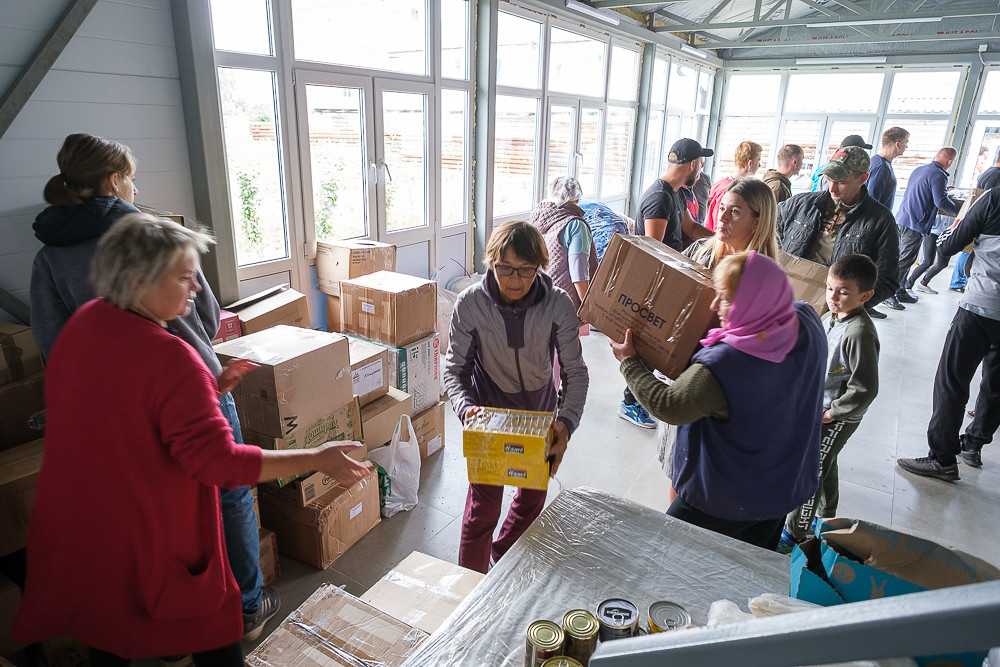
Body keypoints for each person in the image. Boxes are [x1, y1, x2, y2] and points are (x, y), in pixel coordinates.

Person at [13, 214, 372, 664]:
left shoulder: (86, 324)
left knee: (105, 627)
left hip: (91, 528)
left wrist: (209, 388)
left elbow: (126, 408)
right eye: (185, 277)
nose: (196, 288)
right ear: (139, 280)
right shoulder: (169, 356)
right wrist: (317, 457)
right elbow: (220, 464)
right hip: (153, 531)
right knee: (211, 634)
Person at [27, 133, 277, 642]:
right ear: (115, 181)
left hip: (116, 412)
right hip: (195, 384)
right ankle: (246, 606)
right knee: (227, 493)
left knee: (156, 514)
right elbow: (206, 316)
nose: (135, 188)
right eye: (131, 178)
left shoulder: (50, 256)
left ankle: (165, 623)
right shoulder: (154, 236)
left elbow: (55, 346)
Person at [610, 251, 825, 550]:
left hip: (727, 495)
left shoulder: (726, 363)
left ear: (751, 302)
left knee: (669, 555)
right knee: (750, 565)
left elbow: (668, 404)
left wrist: (629, 362)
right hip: (783, 485)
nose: (713, 306)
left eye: (724, 298)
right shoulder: (805, 321)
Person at [443, 221, 589, 574]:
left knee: (532, 497)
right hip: (489, 414)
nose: (514, 280)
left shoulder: (557, 304)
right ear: (490, 261)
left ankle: (503, 550)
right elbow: (454, 371)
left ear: (539, 266)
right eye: (505, 267)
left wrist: (565, 424)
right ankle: (469, 583)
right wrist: (466, 410)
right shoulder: (471, 304)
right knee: (484, 506)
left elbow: (575, 372)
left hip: (539, 413)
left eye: (525, 270)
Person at [897, 187, 1000, 480]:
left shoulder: (993, 198)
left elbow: (948, 246)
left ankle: (942, 458)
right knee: (996, 385)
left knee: (952, 380)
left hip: (980, 306)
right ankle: (974, 445)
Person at [779, 255, 880, 552]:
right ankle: (826, 516)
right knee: (825, 462)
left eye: (843, 291)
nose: (833, 297)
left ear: (866, 295)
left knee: (811, 468)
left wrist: (832, 413)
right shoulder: (830, 318)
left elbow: (865, 389)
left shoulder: (859, 332)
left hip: (836, 416)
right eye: (830, 288)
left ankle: (795, 531)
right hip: (817, 408)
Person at [623, 138, 714, 428]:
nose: (702, 167)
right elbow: (654, 251)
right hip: (657, 283)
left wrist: (720, 239)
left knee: (664, 341)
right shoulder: (659, 197)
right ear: (691, 165)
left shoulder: (676, 192)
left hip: (673, 279)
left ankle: (643, 389)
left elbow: (689, 228)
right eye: (701, 162)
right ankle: (630, 401)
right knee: (648, 344)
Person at [777, 146, 899, 321]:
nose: (832, 188)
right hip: (784, 302)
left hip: (832, 316)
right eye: (829, 179)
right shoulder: (800, 204)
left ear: (863, 178)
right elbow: (766, 234)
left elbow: (888, 279)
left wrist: (848, 307)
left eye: (841, 181)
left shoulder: (881, 220)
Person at [884, 147, 959, 311]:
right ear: (950, 162)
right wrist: (960, 213)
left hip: (903, 218)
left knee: (905, 258)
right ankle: (888, 294)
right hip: (915, 222)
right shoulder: (939, 175)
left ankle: (901, 290)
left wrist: (941, 190)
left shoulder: (921, 169)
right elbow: (941, 202)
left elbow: (924, 190)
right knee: (905, 260)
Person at [528, 176, 598, 313]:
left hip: (538, 297)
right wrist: (587, 306)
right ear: (577, 199)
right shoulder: (576, 225)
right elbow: (579, 272)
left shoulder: (538, 218)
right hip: (564, 301)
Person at [685, 177, 779, 269]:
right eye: (722, 208)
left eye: (734, 211)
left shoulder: (761, 274)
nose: (722, 218)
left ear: (757, 222)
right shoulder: (700, 249)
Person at [707, 140, 762, 230]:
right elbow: (720, 224)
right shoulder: (729, 190)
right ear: (750, 163)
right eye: (758, 160)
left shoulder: (719, 184)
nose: (759, 165)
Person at [866, 127, 910, 211]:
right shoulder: (881, 167)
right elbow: (872, 200)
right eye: (906, 142)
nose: (907, 146)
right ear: (898, 144)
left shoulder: (878, 161)